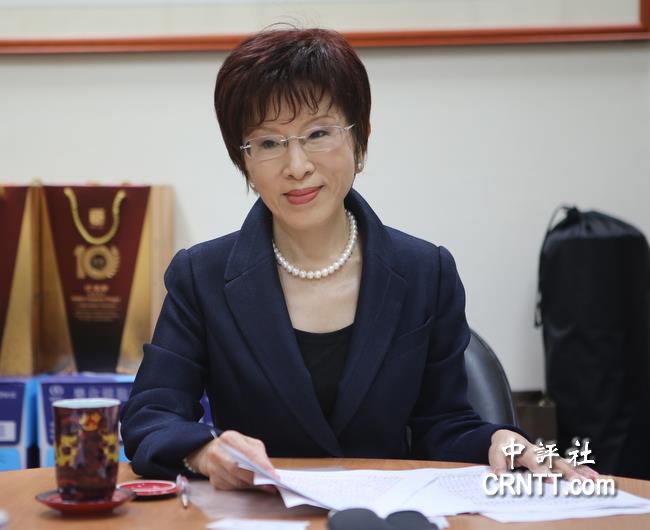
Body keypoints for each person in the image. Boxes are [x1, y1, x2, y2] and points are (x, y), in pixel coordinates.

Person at [120, 26, 597, 490]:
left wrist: (499, 440)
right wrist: (203, 451)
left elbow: (443, 425)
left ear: (359, 139)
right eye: (268, 143)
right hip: (258, 515)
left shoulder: (425, 271)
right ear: (243, 159)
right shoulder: (201, 276)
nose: (297, 166)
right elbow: (150, 417)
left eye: (318, 133)